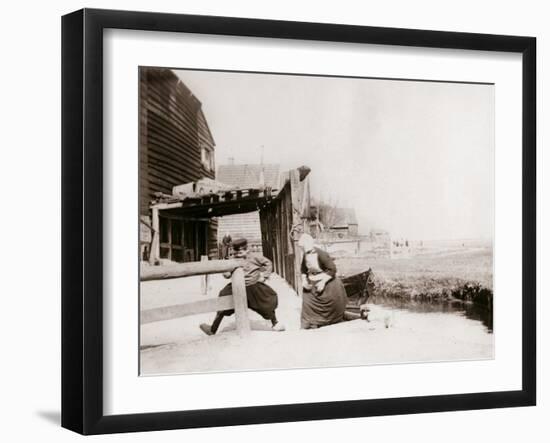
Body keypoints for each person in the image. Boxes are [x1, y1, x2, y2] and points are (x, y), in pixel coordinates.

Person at [200, 238, 285, 335]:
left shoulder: (255, 257)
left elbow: (268, 263)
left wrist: (264, 276)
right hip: (237, 287)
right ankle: (212, 329)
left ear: (247, 250)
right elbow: (227, 275)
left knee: (266, 302)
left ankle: (275, 323)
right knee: (223, 301)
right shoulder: (233, 260)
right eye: (237, 252)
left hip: (253, 286)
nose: (239, 254)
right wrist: (225, 267)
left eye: (242, 251)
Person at [298, 233, 348, 329]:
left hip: (325, 279)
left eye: (303, 247)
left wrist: (322, 282)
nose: (303, 250)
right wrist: (304, 281)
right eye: (302, 248)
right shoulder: (305, 254)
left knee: (331, 301)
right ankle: (309, 324)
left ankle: (328, 322)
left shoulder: (321, 254)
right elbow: (303, 270)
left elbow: (332, 269)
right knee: (307, 300)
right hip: (312, 279)